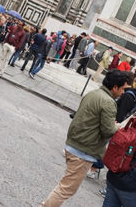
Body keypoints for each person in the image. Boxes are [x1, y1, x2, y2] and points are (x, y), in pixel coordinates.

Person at [40, 70, 130, 207]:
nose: (123, 92)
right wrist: (116, 127)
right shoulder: (109, 102)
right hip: (84, 150)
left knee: (65, 185)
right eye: (123, 89)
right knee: (66, 189)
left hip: (75, 144)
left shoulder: (93, 93)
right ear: (115, 87)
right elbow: (108, 131)